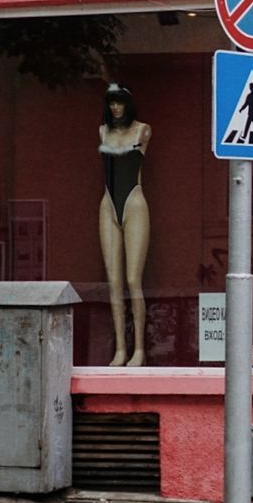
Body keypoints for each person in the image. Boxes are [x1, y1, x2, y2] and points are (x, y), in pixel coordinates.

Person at [98, 84, 151, 367]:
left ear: (128, 105)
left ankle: (139, 349)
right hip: (108, 204)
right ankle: (120, 349)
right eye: (111, 104)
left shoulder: (142, 130)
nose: (115, 108)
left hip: (134, 202)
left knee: (133, 280)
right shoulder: (103, 132)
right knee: (114, 283)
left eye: (119, 103)